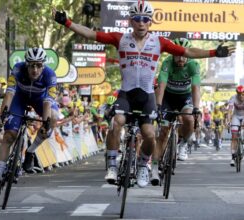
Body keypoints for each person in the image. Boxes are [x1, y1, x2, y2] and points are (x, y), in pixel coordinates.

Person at [52, 1, 235, 187]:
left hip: (147, 96)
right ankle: (113, 165)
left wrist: (213, 53)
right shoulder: (120, 38)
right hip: (126, 94)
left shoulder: (159, 42)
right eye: (137, 19)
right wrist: (67, 23)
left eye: (145, 19)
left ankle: (142, 165)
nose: (141, 23)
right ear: (130, 21)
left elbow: (187, 51)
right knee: (117, 122)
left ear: (150, 22)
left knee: (149, 134)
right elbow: (91, 34)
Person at [0, 47, 58, 193]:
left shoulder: (50, 75)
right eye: (31, 65)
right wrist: (3, 114)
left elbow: (48, 102)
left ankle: (30, 152)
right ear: (26, 64)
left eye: (39, 65)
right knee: (8, 136)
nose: (35, 69)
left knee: (53, 118)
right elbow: (9, 94)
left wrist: (45, 122)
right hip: (20, 99)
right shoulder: (18, 69)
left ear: (43, 65)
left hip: (40, 100)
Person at [152, 38, 201, 185]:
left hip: (184, 98)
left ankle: (184, 143)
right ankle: (154, 169)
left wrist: (196, 108)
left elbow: (195, 88)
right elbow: (161, 85)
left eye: (184, 55)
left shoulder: (193, 64)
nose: (181, 58)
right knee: (162, 133)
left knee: (189, 120)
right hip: (167, 97)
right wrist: (159, 106)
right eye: (177, 55)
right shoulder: (167, 63)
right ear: (173, 54)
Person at [227, 85, 244, 167]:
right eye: (239, 94)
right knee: (234, 136)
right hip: (236, 116)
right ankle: (233, 156)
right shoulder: (233, 98)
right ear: (237, 93)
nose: (241, 95)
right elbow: (230, 111)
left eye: (243, 94)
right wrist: (228, 120)